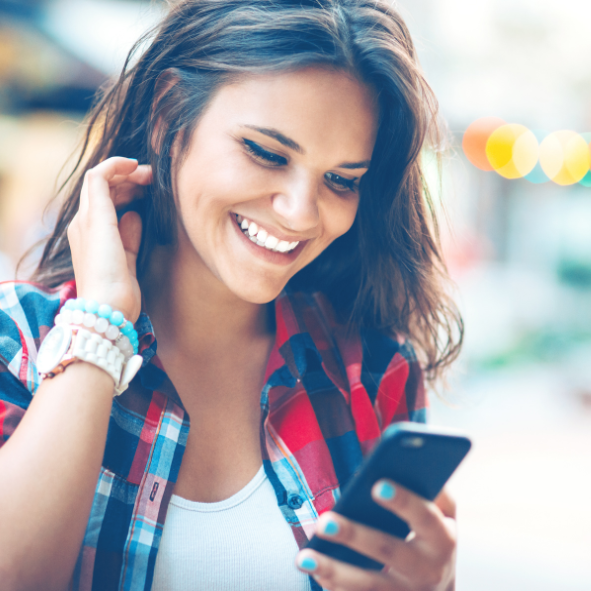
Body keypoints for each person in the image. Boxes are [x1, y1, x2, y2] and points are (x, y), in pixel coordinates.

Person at [0, 1, 463, 590]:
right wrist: (101, 327)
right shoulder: (18, 341)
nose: (300, 213)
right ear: (170, 116)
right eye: (267, 153)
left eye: (341, 180)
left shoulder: (371, 370)